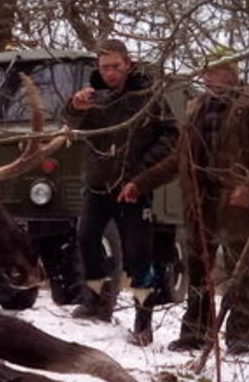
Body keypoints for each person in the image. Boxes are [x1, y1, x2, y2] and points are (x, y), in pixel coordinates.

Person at [121, 50, 249, 355]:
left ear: (231, 73)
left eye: (216, 72)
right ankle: (195, 334)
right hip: (200, 203)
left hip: (237, 205)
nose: (208, 78)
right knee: (197, 270)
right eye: (206, 73)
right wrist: (140, 182)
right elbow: (178, 159)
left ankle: (238, 337)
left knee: (238, 272)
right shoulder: (197, 107)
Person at [62, 39, 176, 345]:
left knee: (139, 255)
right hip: (98, 185)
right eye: (104, 67)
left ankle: (143, 321)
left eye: (115, 66)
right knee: (86, 237)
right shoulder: (93, 96)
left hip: (134, 188)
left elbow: (170, 137)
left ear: (128, 63)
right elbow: (70, 125)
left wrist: (141, 175)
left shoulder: (148, 94)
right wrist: (74, 106)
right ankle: (96, 302)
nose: (110, 72)